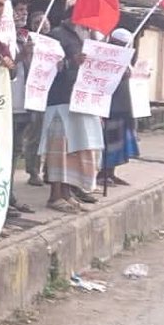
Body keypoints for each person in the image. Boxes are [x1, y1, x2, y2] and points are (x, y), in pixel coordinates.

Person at [40, 19, 103, 213]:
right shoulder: (57, 35)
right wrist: (70, 62)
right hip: (60, 101)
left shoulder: (85, 37)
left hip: (80, 102)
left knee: (74, 152)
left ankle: (67, 194)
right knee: (59, 151)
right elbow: (46, 65)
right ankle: (55, 195)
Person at [98, 29, 140, 187]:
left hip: (124, 106)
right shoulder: (105, 58)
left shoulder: (126, 59)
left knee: (119, 143)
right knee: (108, 142)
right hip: (110, 107)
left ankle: (111, 173)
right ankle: (102, 173)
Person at [22, 10, 51, 186]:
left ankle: (50, 171)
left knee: (52, 136)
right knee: (35, 135)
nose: (43, 24)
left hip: (52, 95)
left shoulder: (54, 43)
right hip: (35, 95)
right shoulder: (29, 43)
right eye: (38, 21)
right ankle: (33, 171)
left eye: (45, 21)